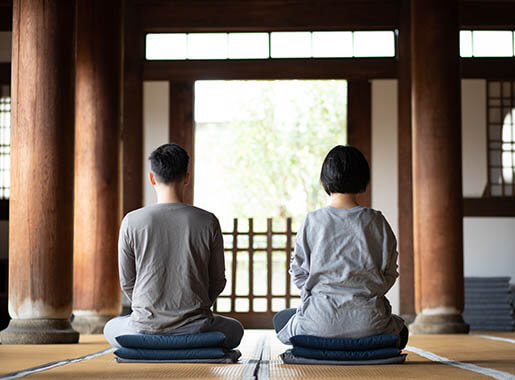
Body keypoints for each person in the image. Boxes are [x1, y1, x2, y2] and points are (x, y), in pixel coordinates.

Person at [104, 143, 243, 349]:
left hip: (145, 326)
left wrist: (151, 309)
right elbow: (217, 280)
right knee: (235, 329)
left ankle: (147, 342)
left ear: (152, 178)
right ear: (187, 177)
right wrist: (194, 308)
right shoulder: (207, 221)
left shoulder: (131, 221)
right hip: (197, 328)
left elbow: (127, 282)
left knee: (111, 327)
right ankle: (194, 342)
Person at [274, 145, 408, 349]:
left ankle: (318, 341)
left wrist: (314, 298)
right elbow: (390, 272)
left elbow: (299, 273)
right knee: (401, 329)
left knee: (281, 319)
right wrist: (372, 291)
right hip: (368, 323)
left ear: (325, 178)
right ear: (364, 178)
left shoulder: (312, 221)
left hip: (319, 322)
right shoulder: (377, 221)